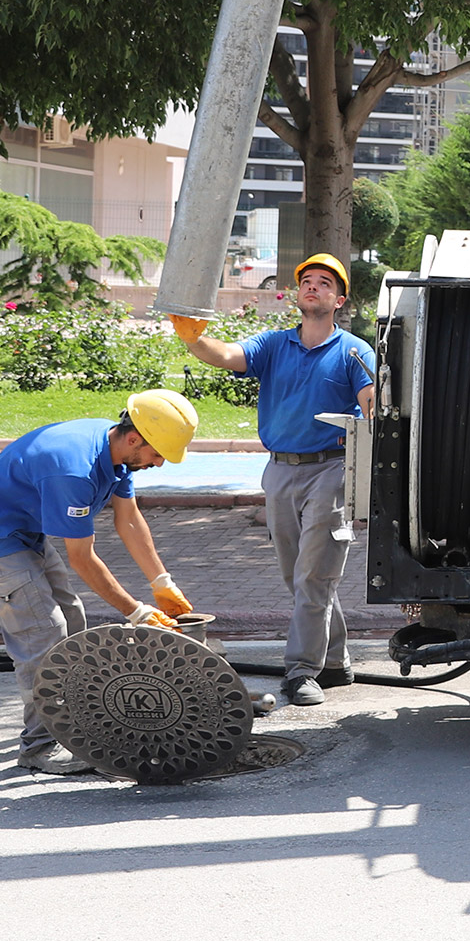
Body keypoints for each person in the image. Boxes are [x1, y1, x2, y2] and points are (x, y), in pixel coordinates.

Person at [0, 391, 201, 774]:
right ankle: (39, 747)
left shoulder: (115, 450)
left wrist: (161, 582)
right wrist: (136, 612)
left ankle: (76, 724)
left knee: (73, 618)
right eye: (157, 453)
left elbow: (129, 519)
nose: (160, 463)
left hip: (25, 532)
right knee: (44, 633)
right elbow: (82, 559)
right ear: (134, 438)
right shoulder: (74, 470)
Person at [181, 252, 374, 707]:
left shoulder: (353, 350)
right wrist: (192, 338)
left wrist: (371, 406)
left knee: (313, 574)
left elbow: (370, 400)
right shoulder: (272, 345)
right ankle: (334, 660)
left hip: (331, 469)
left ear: (339, 299)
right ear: (298, 294)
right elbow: (226, 355)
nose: (314, 287)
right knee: (302, 575)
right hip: (280, 471)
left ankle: (301, 670)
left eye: (325, 282)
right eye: (307, 281)